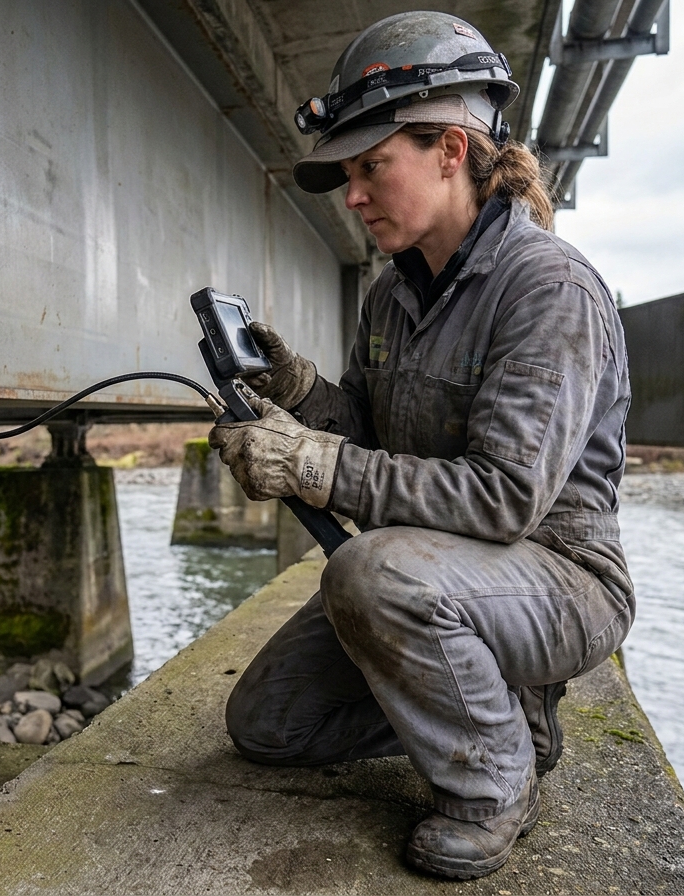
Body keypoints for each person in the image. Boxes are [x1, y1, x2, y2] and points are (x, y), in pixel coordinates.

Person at [209, 11, 634, 882]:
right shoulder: (391, 296)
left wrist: (311, 466)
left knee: (366, 572)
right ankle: (498, 709)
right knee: (269, 725)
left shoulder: (548, 289)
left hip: (559, 577)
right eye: (351, 173)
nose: (353, 196)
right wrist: (295, 392)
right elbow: (367, 434)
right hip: (447, 575)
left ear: (450, 148)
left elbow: (504, 497)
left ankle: (493, 783)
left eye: (372, 167)